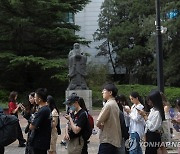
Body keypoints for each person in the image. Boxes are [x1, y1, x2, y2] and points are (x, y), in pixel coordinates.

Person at [96, 83, 122, 154]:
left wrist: (100, 125)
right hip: (114, 139)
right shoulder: (114, 104)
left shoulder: (108, 105)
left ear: (110, 92)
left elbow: (98, 121)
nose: (102, 92)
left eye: (104, 90)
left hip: (107, 139)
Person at [29, 88, 51, 154]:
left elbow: (32, 126)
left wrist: (32, 119)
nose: (34, 99)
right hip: (44, 140)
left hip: (39, 141)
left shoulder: (42, 111)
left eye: (35, 97)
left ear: (39, 99)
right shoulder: (47, 108)